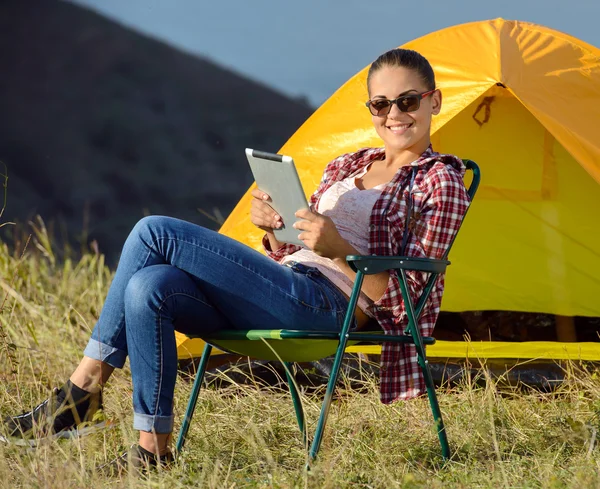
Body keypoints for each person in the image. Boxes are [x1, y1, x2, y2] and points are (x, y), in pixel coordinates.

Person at [1, 48, 470, 474]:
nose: (394, 114)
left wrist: (341, 250)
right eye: (380, 104)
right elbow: (298, 248)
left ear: (434, 101)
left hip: (333, 306)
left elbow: (408, 294)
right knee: (150, 285)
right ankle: (153, 451)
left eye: (407, 101)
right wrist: (277, 228)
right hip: (288, 284)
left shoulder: (439, 183)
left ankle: (81, 391)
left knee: (153, 231)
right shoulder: (347, 166)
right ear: (370, 110)